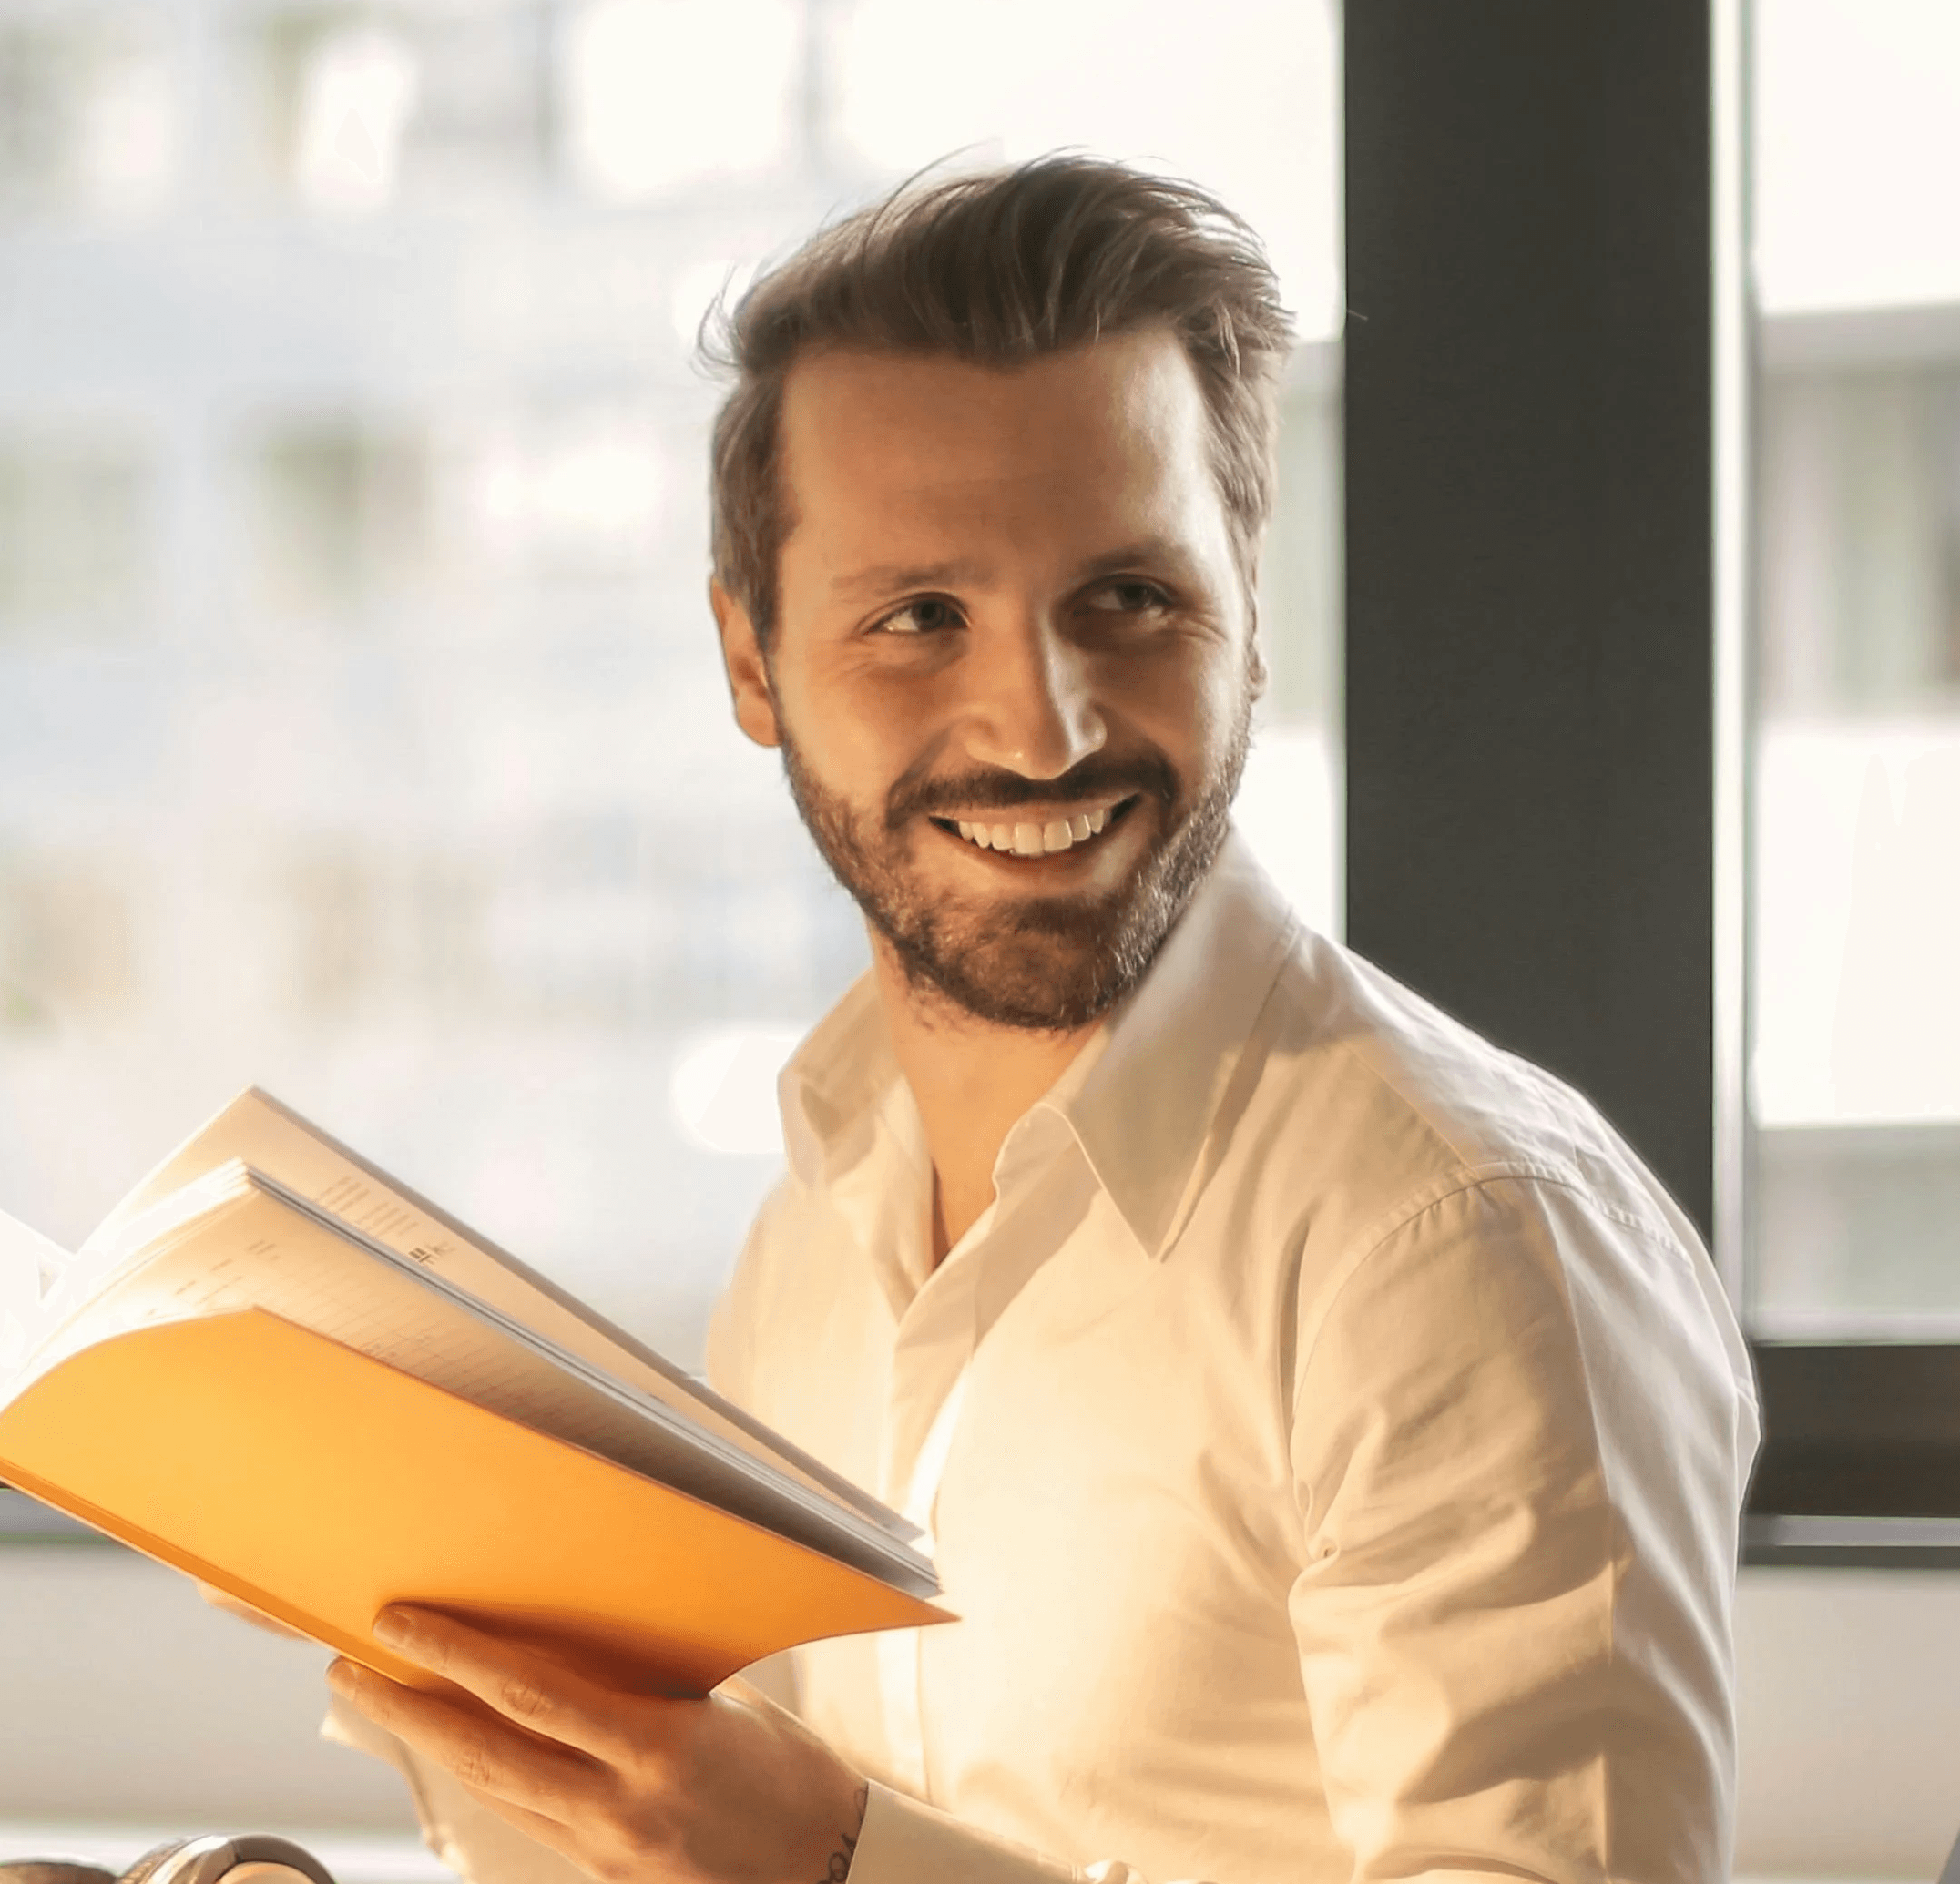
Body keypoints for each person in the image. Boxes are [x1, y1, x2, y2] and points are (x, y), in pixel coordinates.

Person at [318, 156, 1759, 1884]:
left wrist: (841, 1867)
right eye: (920, 617)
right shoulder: (814, 1232)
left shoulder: (1457, 1238)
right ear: (753, 662)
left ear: (1247, 618)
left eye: (1129, 601)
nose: (1044, 723)